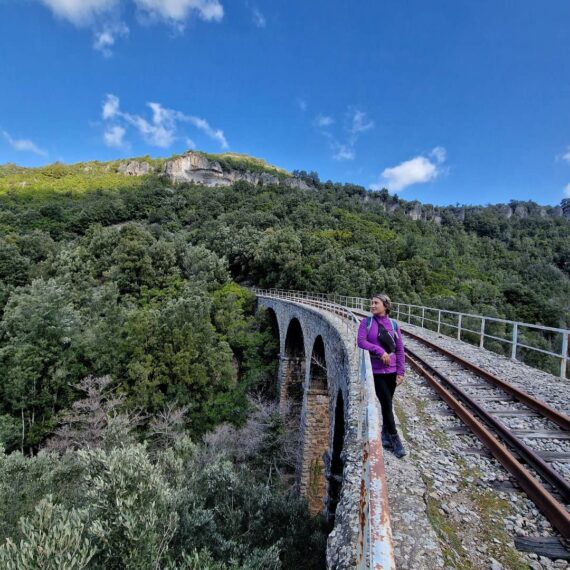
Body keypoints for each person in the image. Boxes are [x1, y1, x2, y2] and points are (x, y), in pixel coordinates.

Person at [357, 293, 406, 458]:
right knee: (386, 404)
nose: (372, 305)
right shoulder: (367, 323)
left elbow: (399, 350)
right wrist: (380, 351)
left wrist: (401, 372)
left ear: (385, 306)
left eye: (376, 303)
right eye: (371, 303)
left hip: (391, 372)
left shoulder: (393, 325)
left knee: (387, 403)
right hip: (376, 372)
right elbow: (361, 341)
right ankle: (395, 439)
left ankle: (385, 435)